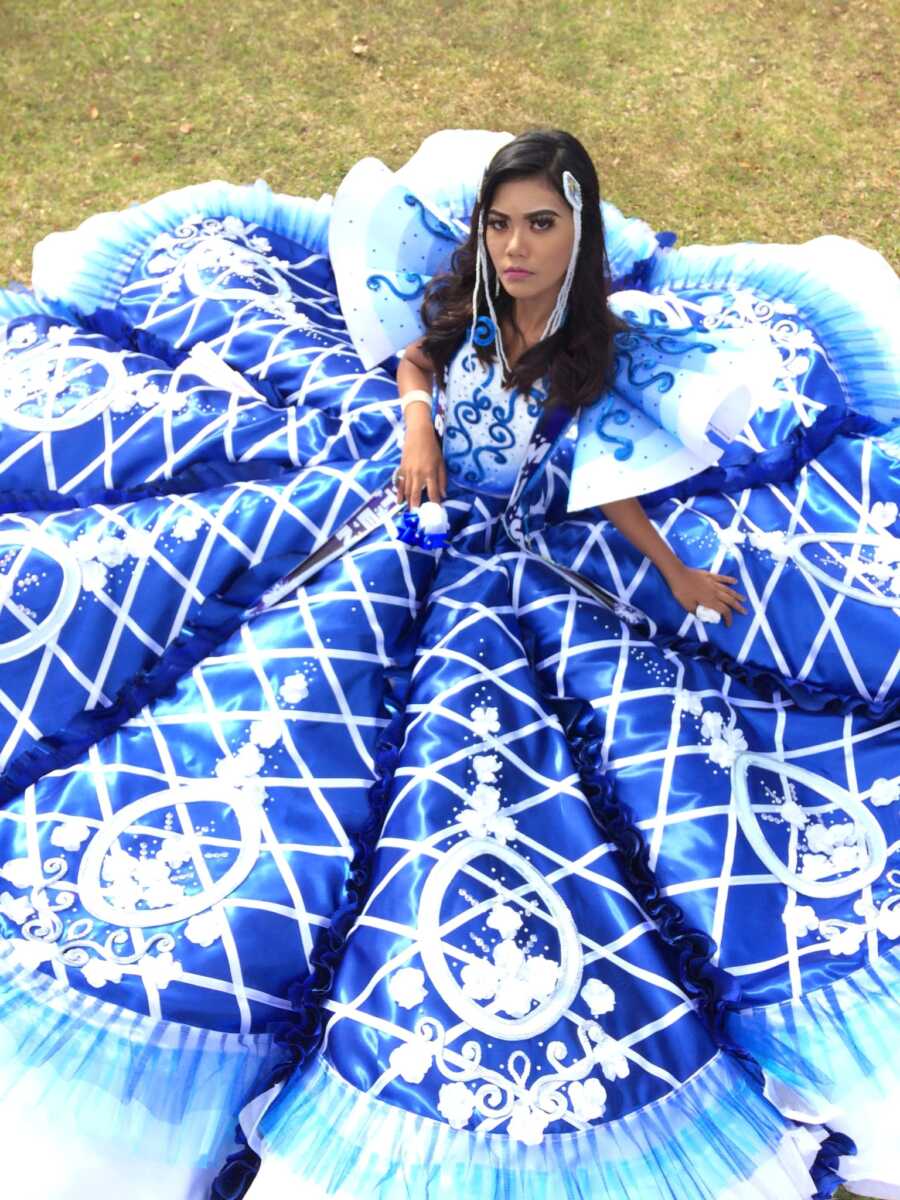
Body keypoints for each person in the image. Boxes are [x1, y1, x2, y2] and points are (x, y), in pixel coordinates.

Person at [0, 128, 896, 1200]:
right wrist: (416, 427)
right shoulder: (464, 312)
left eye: (543, 227)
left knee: (613, 753)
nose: (517, 247)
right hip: (393, 512)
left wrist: (670, 568)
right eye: (502, 225)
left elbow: (609, 472)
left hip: (540, 552)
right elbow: (417, 363)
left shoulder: (591, 351)